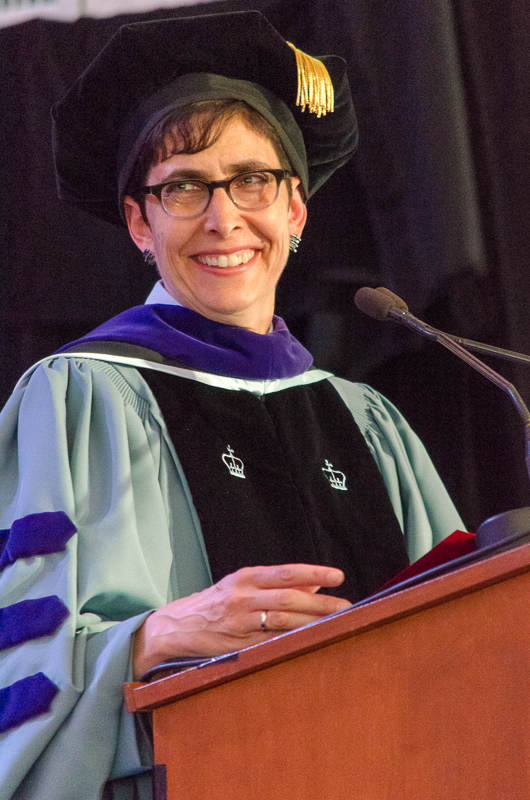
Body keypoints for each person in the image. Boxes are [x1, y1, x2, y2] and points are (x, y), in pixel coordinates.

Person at [0, 11, 463, 799]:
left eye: (252, 180)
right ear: (139, 222)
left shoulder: (369, 423)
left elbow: (465, 637)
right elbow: (18, 661)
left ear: (295, 209)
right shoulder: (78, 400)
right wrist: (149, 639)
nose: (225, 218)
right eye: (184, 186)